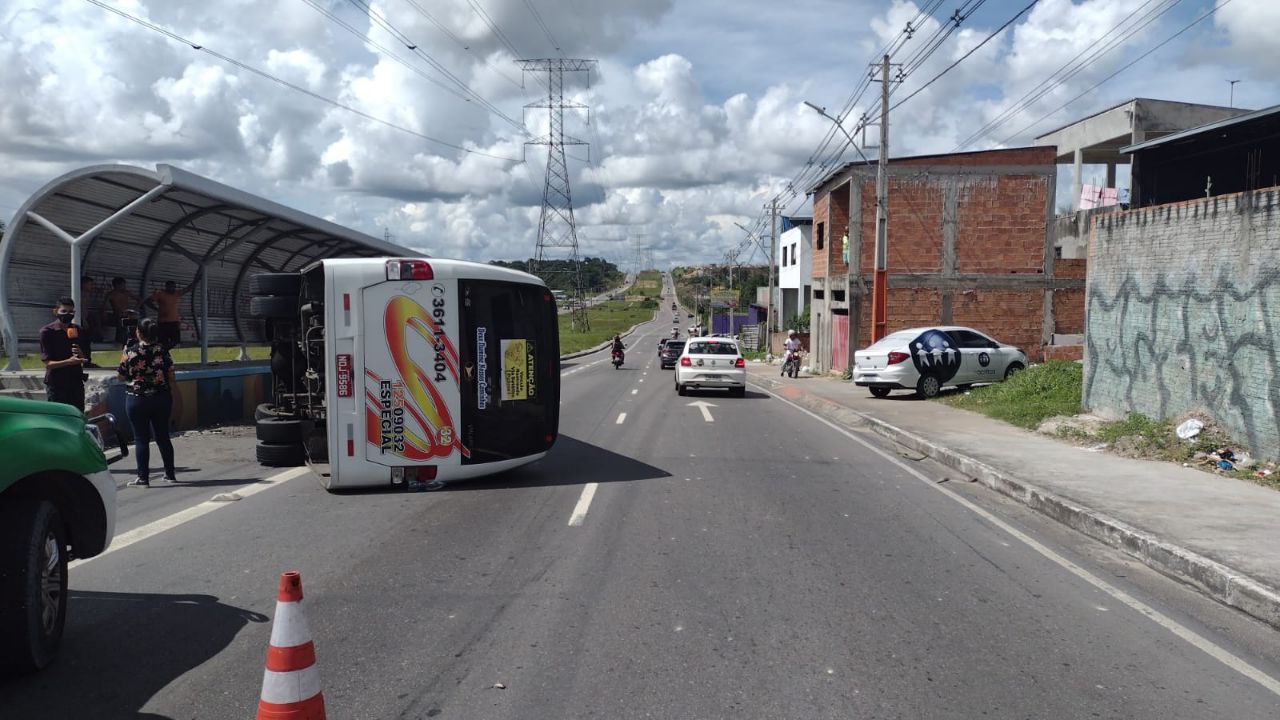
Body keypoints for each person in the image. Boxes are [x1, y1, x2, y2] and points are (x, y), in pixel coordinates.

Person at [118, 318, 178, 487]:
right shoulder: (163, 351)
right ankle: (170, 474)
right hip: (161, 398)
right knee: (163, 437)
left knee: (141, 439)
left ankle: (143, 478)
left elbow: (121, 376)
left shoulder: (130, 351)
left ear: (139, 333)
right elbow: (171, 375)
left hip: (137, 399)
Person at [39, 297, 89, 412]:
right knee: (59, 416)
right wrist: (68, 362)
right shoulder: (47, 332)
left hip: (76, 381)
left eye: (71, 312)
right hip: (57, 384)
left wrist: (81, 355)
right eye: (64, 311)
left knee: (77, 415)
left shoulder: (78, 330)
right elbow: (48, 364)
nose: (68, 314)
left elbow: (85, 357)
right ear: (55, 311)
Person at [145, 279, 194, 350]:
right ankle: (162, 351)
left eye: (174, 287)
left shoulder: (176, 294)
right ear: (166, 287)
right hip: (163, 322)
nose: (173, 289)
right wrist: (156, 309)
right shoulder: (160, 293)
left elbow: (187, 289)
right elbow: (148, 301)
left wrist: (196, 279)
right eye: (171, 287)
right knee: (163, 341)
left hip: (174, 321)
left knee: (176, 341)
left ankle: (166, 349)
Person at [104, 276, 139, 344]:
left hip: (128, 316)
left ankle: (133, 341)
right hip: (118, 316)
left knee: (134, 326)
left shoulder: (126, 293)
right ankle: (120, 341)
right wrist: (104, 314)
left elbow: (140, 300)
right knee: (121, 328)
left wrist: (134, 310)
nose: (124, 286)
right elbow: (104, 306)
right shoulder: (111, 294)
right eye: (123, 285)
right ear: (117, 285)